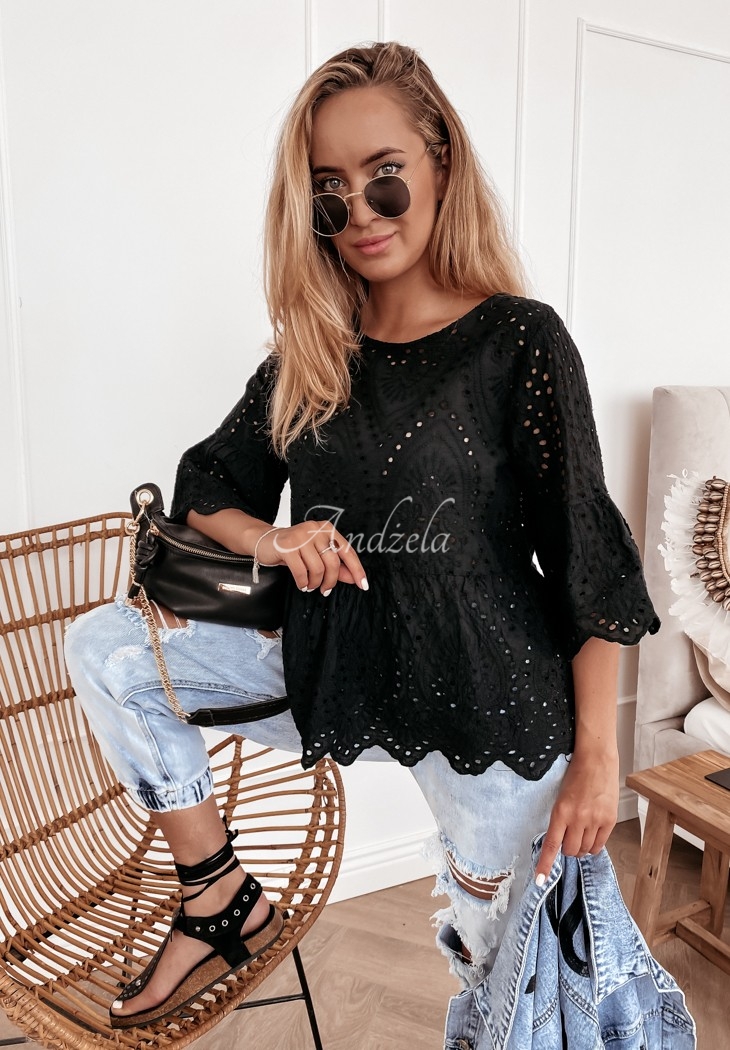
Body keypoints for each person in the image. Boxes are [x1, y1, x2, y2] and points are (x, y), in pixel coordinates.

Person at [64, 40, 660, 1032]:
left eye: (384, 176)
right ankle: (218, 898)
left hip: (487, 705)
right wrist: (275, 541)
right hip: (332, 666)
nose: (361, 215)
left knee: (507, 988)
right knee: (110, 648)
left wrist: (598, 756)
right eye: (328, 193)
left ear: (440, 164)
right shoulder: (311, 357)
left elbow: (589, 563)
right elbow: (208, 486)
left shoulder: (518, 340)